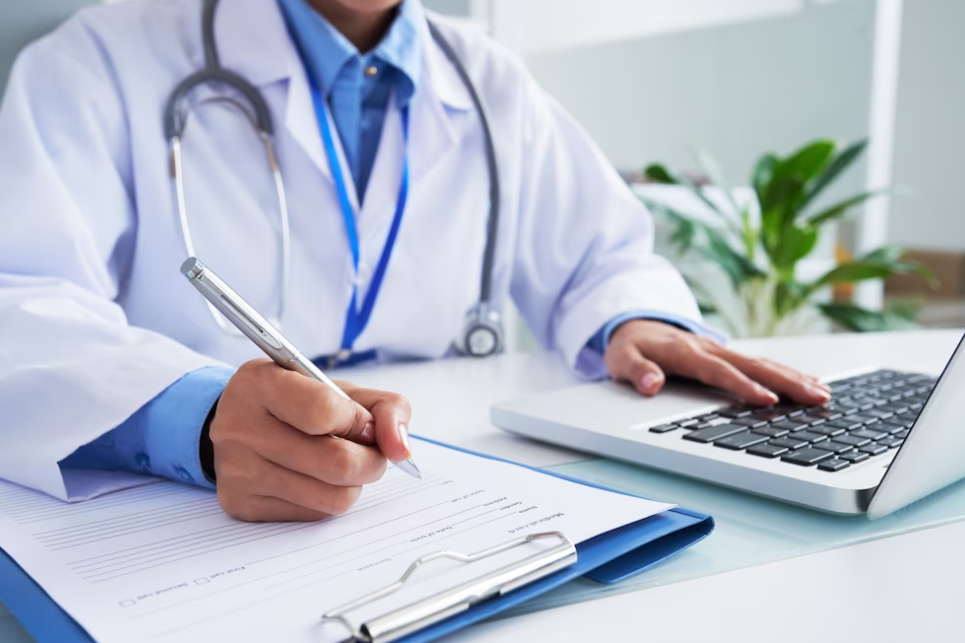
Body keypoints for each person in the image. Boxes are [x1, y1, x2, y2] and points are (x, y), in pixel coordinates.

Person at [0, 0, 830, 522]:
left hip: (436, 504)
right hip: (191, 527)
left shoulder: (490, 80)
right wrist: (198, 418)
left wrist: (632, 316)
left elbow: (601, 255)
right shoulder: (96, 61)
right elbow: (19, 303)